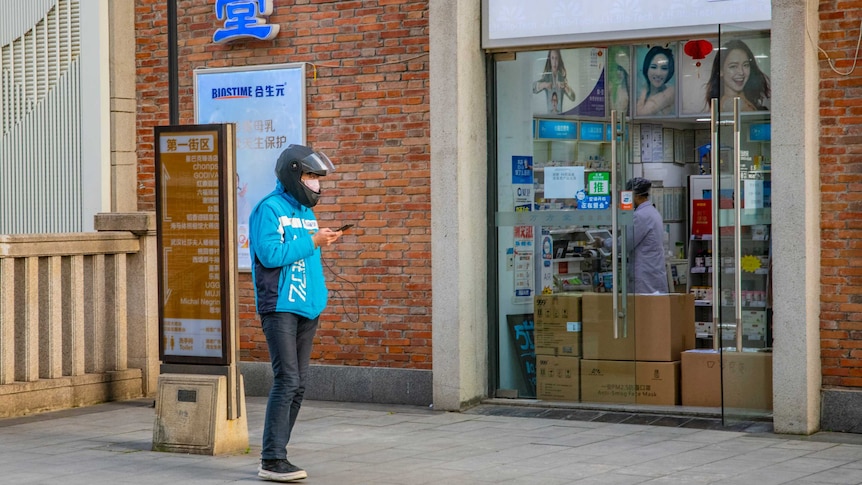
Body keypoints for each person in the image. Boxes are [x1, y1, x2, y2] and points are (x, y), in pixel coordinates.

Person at [249, 144, 344, 482]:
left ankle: (278, 453)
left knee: (299, 384)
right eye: (310, 176)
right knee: (287, 379)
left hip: (307, 306)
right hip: (280, 306)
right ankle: (271, 458)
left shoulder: (306, 213)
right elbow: (271, 254)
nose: (315, 183)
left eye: (318, 178)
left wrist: (321, 240)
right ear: (292, 174)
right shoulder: (269, 209)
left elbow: (305, 254)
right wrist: (314, 242)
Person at [596, 177, 668, 294]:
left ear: (637, 195)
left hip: (645, 274)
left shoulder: (640, 216)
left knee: (643, 309)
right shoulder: (652, 212)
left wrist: (603, 242)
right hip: (652, 270)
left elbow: (624, 243)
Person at [705, 39, 771, 112]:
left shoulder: (744, 100)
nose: (741, 72)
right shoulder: (731, 104)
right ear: (721, 71)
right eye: (733, 66)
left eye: (745, 65)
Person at [533, 48, 576, 114]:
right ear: (549, 59)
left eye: (556, 58)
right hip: (549, 117)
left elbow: (573, 97)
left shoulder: (562, 78)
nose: (554, 62)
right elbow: (532, 88)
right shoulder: (547, 77)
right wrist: (544, 85)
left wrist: (565, 86)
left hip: (560, 116)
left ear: (559, 60)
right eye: (552, 58)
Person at [636, 45, 675, 116]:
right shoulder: (642, 92)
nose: (658, 73)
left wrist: (644, 89)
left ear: (669, 71)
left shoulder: (671, 92)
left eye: (664, 68)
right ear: (647, 68)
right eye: (653, 67)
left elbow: (641, 113)